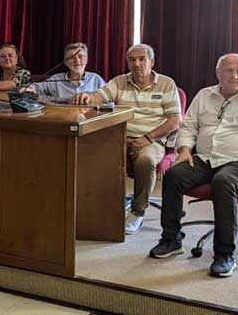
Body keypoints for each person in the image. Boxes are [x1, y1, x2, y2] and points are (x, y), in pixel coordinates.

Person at [149, 54, 238, 277]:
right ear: (218, 73)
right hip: (205, 158)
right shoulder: (204, 95)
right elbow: (188, 127)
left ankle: (225, 255)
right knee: (173, 175)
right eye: (229, 71)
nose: (235, 76)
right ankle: (171, 239)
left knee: (223, 181)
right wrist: (185, 149)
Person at [73, 44, 182, 235]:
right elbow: (98, 97)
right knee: (89, 154)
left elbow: (174, 121)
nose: (137, 64)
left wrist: (147, 138)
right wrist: (87, 97)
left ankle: (138, 212)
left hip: (152, 139)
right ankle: (100, 207)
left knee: (145, 161)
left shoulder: (166, 83)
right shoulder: (120, 81)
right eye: (132, 60)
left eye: (142, 59)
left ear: (152, 62)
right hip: (119, 137)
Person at [27, 42, 106, 101]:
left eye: (80, 56)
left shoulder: (96, 79)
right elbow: (36, 87)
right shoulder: (55, 79)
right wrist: (29, 88)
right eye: (72, 57)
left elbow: (108, 100)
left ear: (86, 60)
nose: (77, 60)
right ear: (66, 62)